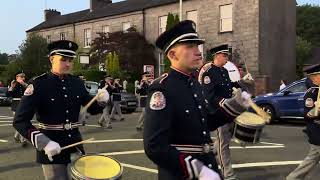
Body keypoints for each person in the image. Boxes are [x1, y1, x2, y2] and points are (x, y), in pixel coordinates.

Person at [143, 20, 252, 180]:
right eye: (190, 47)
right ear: (172, 55)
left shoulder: (194, 82)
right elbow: (154, 146)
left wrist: (236, 105)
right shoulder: (162, 89)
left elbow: (205, 122)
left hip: (207, 165)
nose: (198, 51)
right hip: (182, 173)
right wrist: (197, 170)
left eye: (197, 46)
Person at [12, 40, 109, 180]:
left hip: (75, 145)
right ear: (51, 59)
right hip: (51, 147)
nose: (68, 64)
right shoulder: (39, 84)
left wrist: (102, 100)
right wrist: (44, 142)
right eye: (63, 60)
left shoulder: (77, 83)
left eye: (70, 60)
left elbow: (92, 108)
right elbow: (20, 121)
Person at [198, 44, 253, 180]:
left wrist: (242, 82)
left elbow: (229, 85)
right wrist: (224, 102)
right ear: (217, 56)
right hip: (218, 112)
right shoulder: (208, 71)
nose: (227, 59)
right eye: (225, 56)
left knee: (224, 140)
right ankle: (228, 175)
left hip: (228, 110)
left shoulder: (224, 71)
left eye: (227, 56)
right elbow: (208, 96)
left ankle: (207, 158)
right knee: (224, 144)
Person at [286, 64, 320, 180]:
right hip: (316, 131)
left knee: (312, 159)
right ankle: (293, 178)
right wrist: (316, 110)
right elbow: (307, 115)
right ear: (314, 77)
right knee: (312, 158)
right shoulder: (311, 93)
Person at [7, 72, 28, 146]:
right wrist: (11, 87)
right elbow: (9, 95)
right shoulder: (14, 84)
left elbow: (31, 90)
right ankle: (23, 140)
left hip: (24, 104)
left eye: (24, 77)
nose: (23, 78)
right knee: (20, 122)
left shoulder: (25, 84)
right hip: (16, 105)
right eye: (21, 77)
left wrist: (23, 83)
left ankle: (17, 136)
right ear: (17, 77)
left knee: (22, 122)